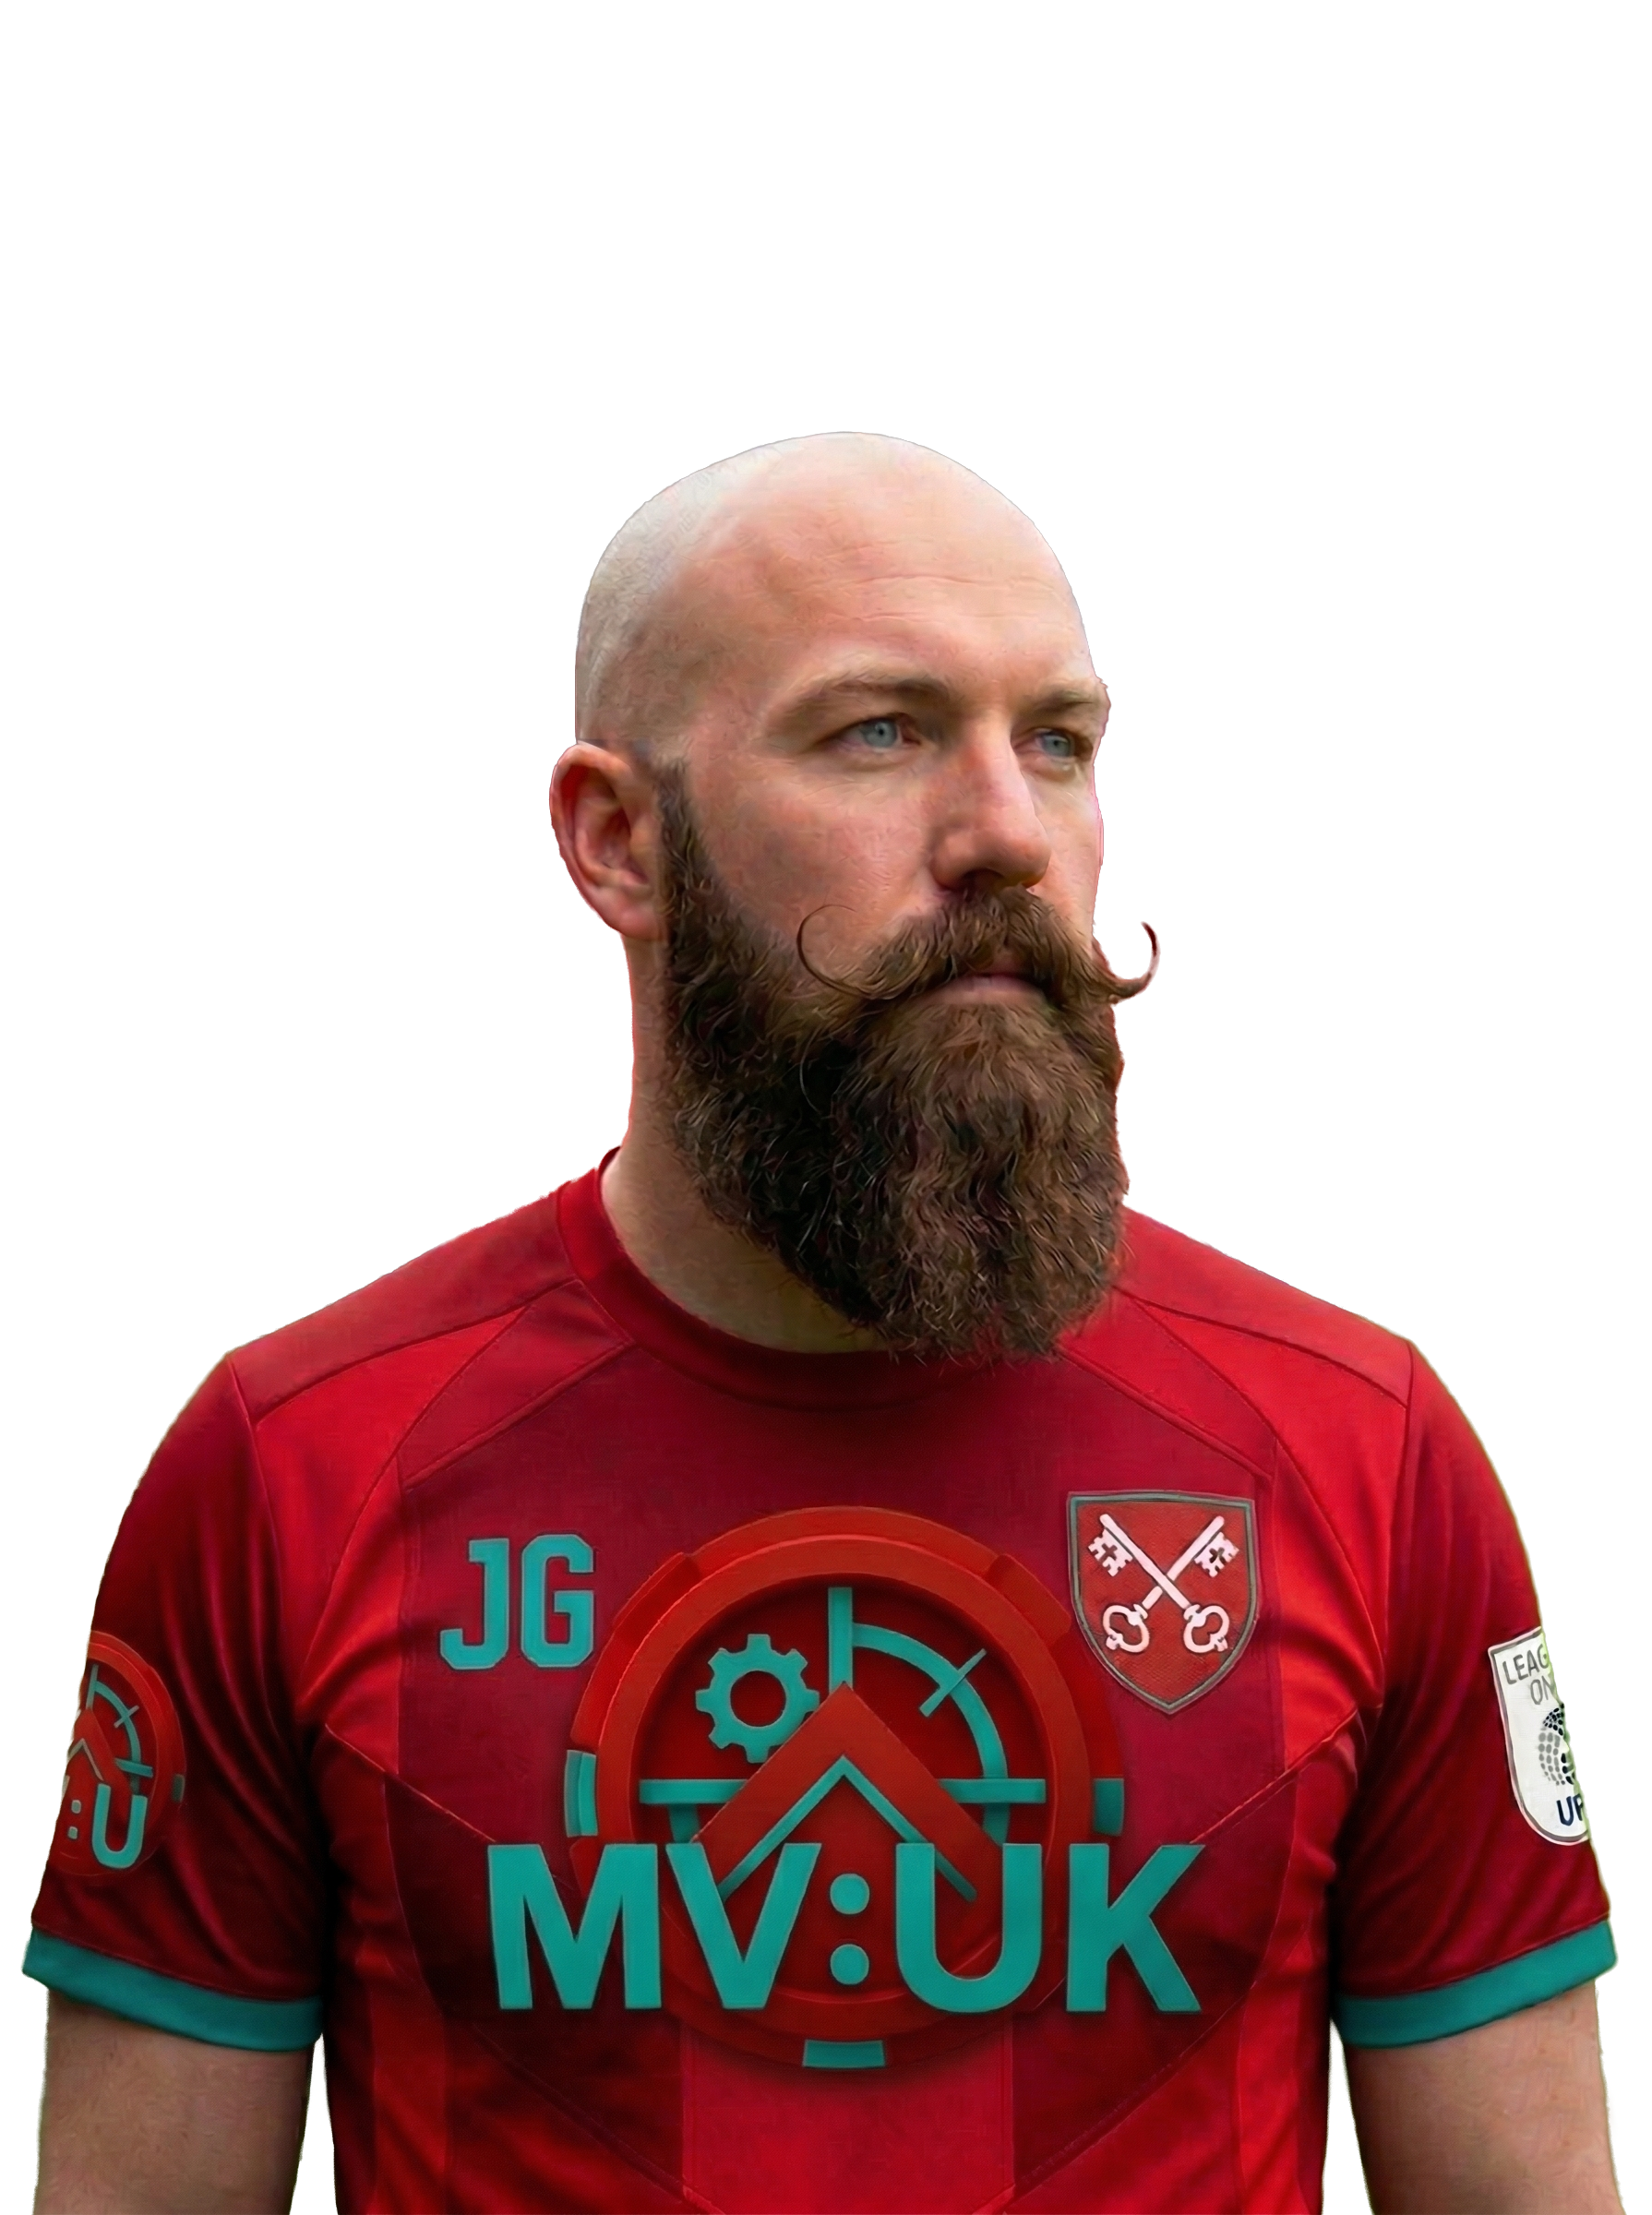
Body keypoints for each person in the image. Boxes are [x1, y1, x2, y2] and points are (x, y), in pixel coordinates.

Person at [26, 433, 1619, 2215]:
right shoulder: (292, 1468)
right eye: (879, 732)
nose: (1006, 832)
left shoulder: (1362, 1451)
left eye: (1058, 741)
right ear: (616, 840)